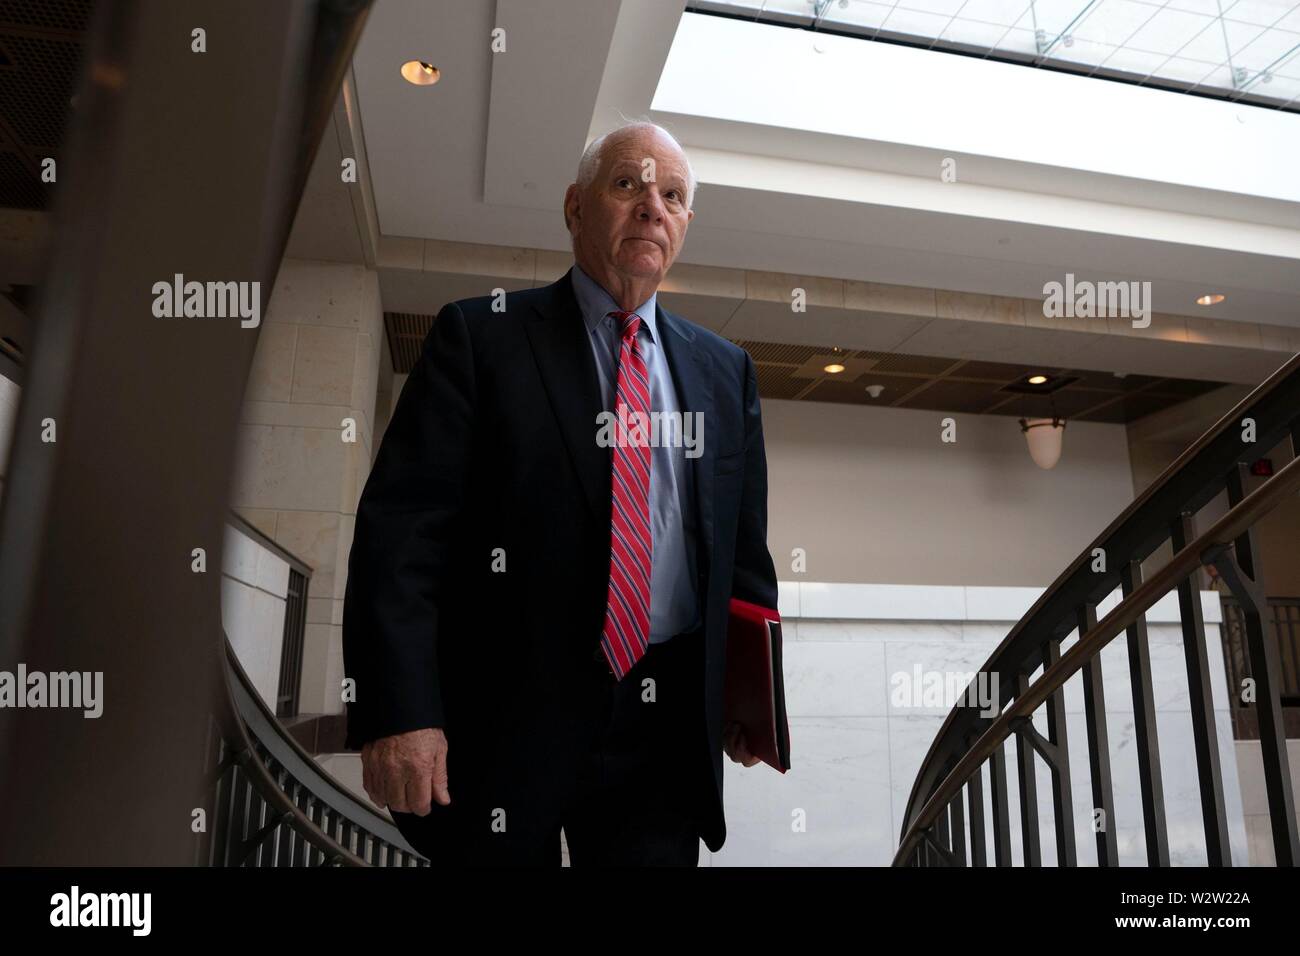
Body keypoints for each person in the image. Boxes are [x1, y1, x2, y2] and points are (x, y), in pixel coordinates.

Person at [342, 121, 781, 866]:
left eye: (672, 195)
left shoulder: (724, 369)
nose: (652, 207)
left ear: (686, 224)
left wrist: (747, 697)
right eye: (628, 185)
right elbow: (402, 537)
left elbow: (741, 550)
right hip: (502, 725)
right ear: (576, 207)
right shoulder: (480, 339)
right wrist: (401, 712)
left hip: (665, 727)